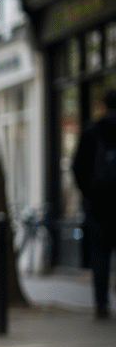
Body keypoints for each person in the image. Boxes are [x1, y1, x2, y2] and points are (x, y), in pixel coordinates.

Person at [72, 88, 116, 319]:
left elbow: (77, 167)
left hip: (98, 206)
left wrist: (88, 194)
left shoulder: (92, 131)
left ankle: (101, 304)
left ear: (103, 106)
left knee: (100, 255)